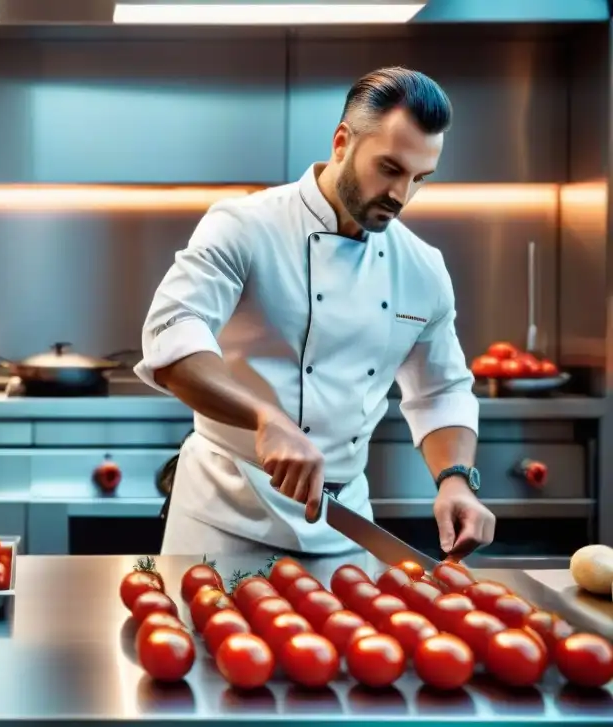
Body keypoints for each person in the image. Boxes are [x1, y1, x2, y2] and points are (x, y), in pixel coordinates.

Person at [135, 66, 496, 562]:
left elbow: (441, 390)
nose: (401, 195)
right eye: (389, 168)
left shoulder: (423, 267)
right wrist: (265, 419)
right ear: (343, 141)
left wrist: (455, 480)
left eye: (419, 178)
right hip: (224, 513)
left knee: (350, 643)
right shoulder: (243, 226)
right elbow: (171, 335)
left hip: (340, 528)